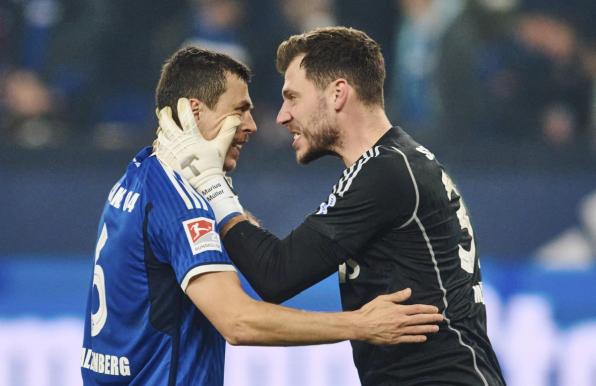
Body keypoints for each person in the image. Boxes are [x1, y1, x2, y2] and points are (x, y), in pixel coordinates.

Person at [156, 28, 506, 385]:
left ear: (338, 93)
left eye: (292, 97)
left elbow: (275, 275)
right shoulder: (393, 164)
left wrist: (212, 185)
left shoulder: (386, 173)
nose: (281, 116)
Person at [81, 46, 444, 386]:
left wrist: (216, 192)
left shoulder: (139, 176)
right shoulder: (180, 200)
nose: (252, 125)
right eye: (240, 110)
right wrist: (360, 324)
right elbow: (237, 321)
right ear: (194, 112)